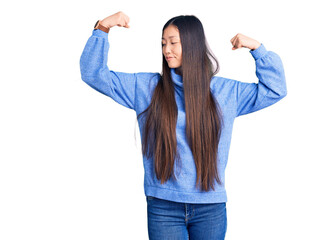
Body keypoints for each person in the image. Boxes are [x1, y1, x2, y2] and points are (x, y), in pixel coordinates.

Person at [80, 11, 287, 240]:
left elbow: (275, 89)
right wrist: (102, 28)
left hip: (210, 208)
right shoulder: (146, 88)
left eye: (173, 43)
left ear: (192, 45)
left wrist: (257, 49)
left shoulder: (225, 93)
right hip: (163, 208)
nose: (166, 50)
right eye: (163, 43)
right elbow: (94, 74)